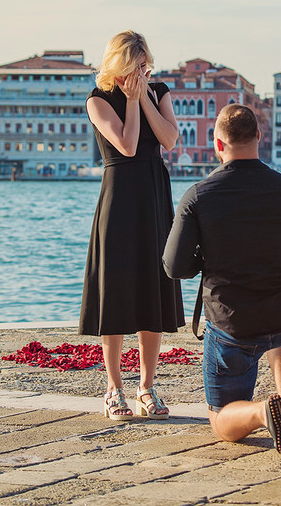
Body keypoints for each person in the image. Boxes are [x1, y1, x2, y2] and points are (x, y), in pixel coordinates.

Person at [163, 104, 281, 454]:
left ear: (218, 144)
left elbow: (174, 267)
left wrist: (209, 257)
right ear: (259, 138)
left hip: (231, 323)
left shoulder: (199, 196)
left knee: (220, 422)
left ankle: (264, 411)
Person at [81, 30, 184, 421]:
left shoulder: (158, 91)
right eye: (137, 65)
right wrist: (129, 100)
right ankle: (113, 389)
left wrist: (144, 98)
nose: (145, 71)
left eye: (146, 65)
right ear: (120, 65)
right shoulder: (98, 100)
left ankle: (146, 386)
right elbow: (126, 144)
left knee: (152, 288)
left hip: (154, 195)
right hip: (119, 196)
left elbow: (169, 139)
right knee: (116, 290)